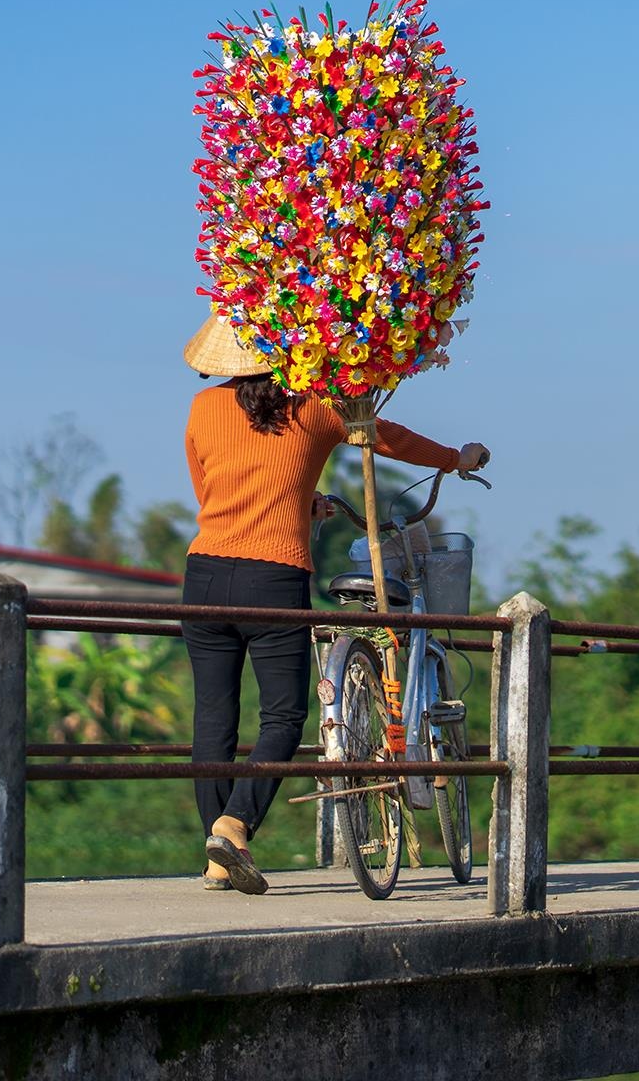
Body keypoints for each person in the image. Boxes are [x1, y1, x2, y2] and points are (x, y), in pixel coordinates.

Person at [180, 315, 488, 894]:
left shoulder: (202, 407)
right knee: (283, 716)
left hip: (204, 575)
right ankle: (234, 823)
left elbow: (215, 493)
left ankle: (218, 856)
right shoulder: (318, 404)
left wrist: (301, 503)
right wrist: (455, 457)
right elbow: (383, 433)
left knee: (212, 721)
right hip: (271, 577)